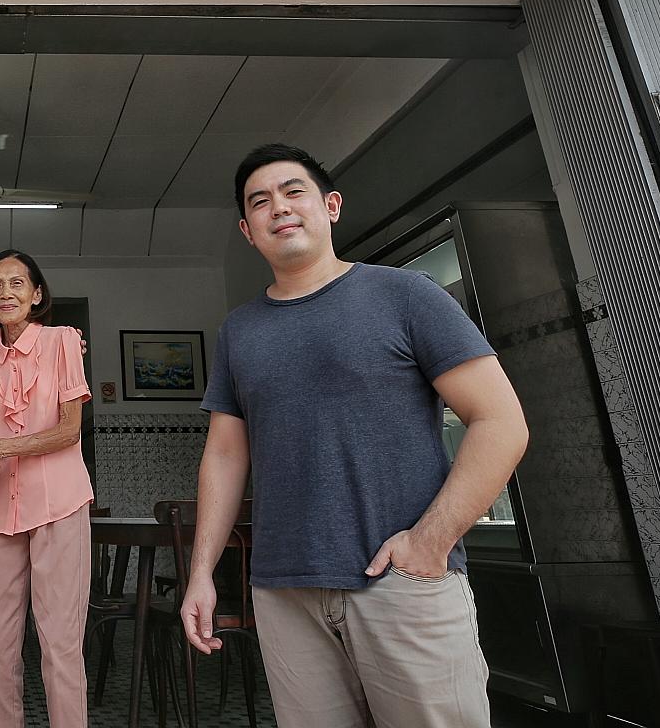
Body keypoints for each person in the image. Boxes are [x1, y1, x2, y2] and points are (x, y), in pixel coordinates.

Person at [179, 143, 529, 728]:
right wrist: (201, 575)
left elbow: (501, 422)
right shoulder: (239, 330)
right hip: (283, 588)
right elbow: (223, 454)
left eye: (294, 192)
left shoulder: (406, 294)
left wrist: (430, 541)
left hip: (400, 579)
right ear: (247, 230)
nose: (279, 209)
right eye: (260, 202)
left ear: (331, 205)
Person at [0, 250, 93, 728]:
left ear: (37, 295)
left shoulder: (62, 342)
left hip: (59, 504)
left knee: (60, 642)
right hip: (1, 514)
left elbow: (69, 431)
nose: (5, 293)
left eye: (17, 284)